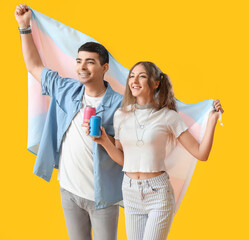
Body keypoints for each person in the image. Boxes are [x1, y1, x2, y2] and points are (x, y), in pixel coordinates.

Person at [15, 4, 124, 240]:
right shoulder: (66, 89)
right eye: (78, 61)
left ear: (104, 68)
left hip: (102, 196)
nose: (82, 67)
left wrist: (105, 138)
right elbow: (34, 66)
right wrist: (24, 27)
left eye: (90, 62)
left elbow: (128, 150)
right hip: (68, 190)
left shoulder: (120, 104)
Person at [90, 61, 224, 240]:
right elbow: (123, 158)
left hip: (158, 194)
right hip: (130, 192)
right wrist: (105, 141)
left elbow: (201, 153)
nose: (134, 80)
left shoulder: (169, 117)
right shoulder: (121, 115)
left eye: (142, 76)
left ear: (155, 83)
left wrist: (213, 120)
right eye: (132, 76)